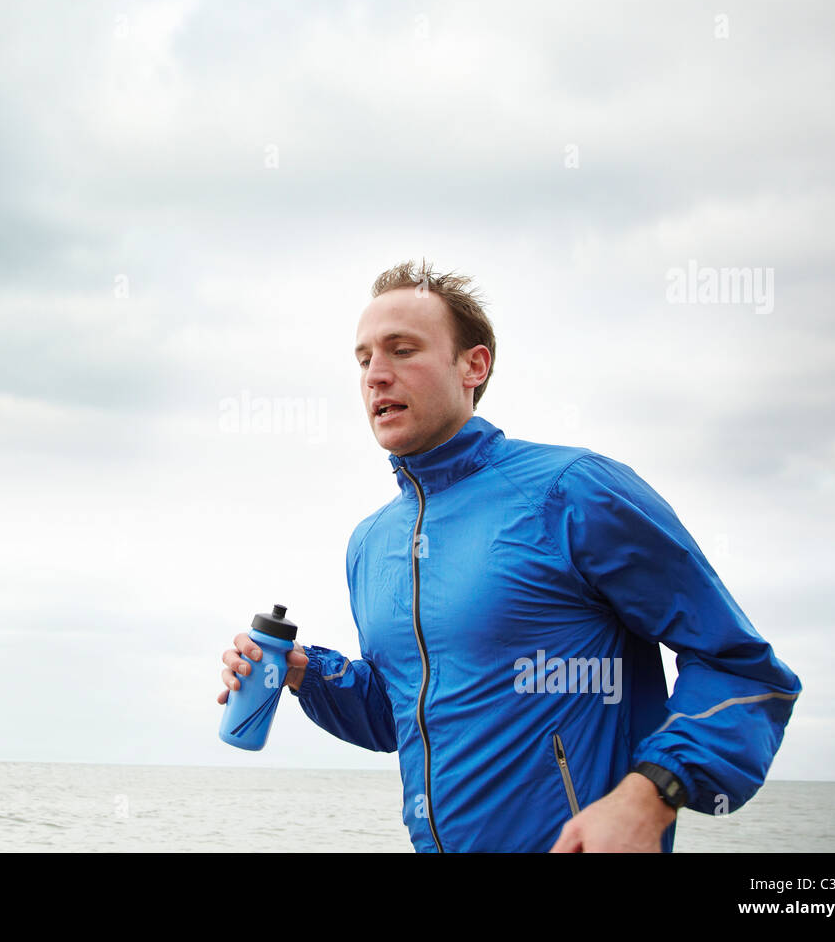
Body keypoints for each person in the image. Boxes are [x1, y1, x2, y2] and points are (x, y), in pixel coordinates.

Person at [216, 259, 801, 852]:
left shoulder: (575, 491)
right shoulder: (371, 543)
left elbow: (741, 667)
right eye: (364, 358)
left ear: (474, 365)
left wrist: (649, 793)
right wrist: (304, 673)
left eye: (402, 350)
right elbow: (399, 713)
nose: (376, 376)